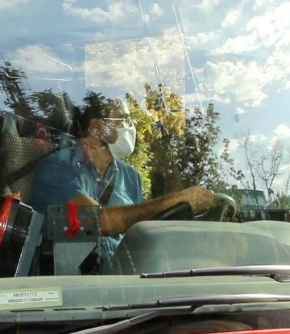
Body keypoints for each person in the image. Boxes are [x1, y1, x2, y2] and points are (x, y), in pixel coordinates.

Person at [30, 100, 218, 267]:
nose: (130, 128)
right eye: (123, 120)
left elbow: (140, 234)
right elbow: (98, 222)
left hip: (127, 285)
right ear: (97, 127)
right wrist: (178, 201)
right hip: (75, 290)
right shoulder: (57, 168)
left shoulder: (130, 176)